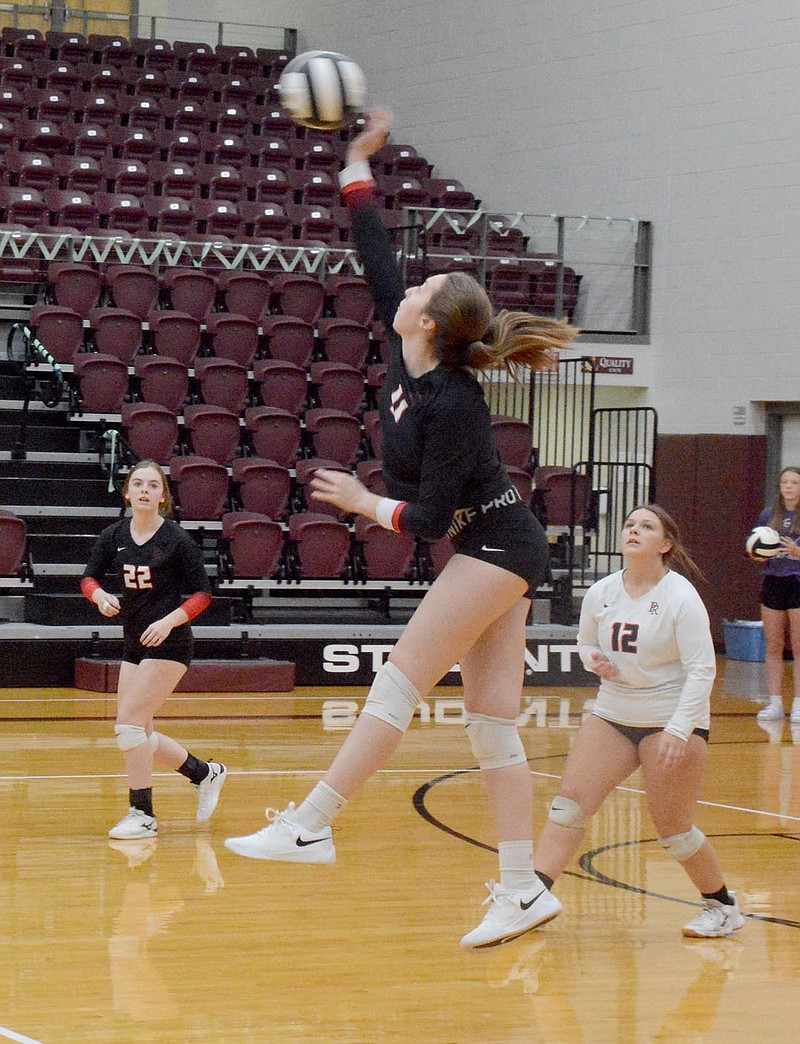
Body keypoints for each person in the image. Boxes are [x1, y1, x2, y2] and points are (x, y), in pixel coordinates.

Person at [224, 108, 579, 949]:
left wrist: (358, 505)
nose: (407, 289)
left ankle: (313, 823)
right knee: (491, 724)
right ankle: (524, 887)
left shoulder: (455, 402)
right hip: (492, 545)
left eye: (420, 292)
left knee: (400, 680)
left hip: (498, 543)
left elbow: (424, 520)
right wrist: (355, 163)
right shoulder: (406, 348)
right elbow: (376, 249)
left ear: (426, 322)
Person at [532, 504, 744, 939]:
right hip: (614, 710)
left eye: (646, 526)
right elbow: (586, 639)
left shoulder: (680, 596)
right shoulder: (603, 590)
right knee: (568, 806)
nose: (633, 530)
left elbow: (703, 670)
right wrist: (595, 660)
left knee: (675, 833)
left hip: (670, 716)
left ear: (664, 544)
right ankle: (530, 898)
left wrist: (678, 729)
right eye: (629, 524)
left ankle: (722, 907)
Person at [81, 459, 226, 840]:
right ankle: (203, 773)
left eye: (153, 485)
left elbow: (203, 593)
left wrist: (170, 621)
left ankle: (142, 814)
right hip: (133, 643)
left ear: (163, 496)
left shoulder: (176, 539)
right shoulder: (113, 535)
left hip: (170, 642)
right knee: (139, 730)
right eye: (138, 484)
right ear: (127, 492)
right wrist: (99, 596)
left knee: (127, 725)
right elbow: (88, 578)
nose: (145, 490)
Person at [752, 465, 800, 725]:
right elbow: (758, 551)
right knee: (773, 646)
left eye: (794, 482)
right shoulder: (768, 515)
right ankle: (775, 704)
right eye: (785, 482)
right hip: (773, 582)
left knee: (798, 647)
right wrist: (759, 555)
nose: (789, 487)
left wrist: (797, 552)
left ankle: (799, 706)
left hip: (797, 581)